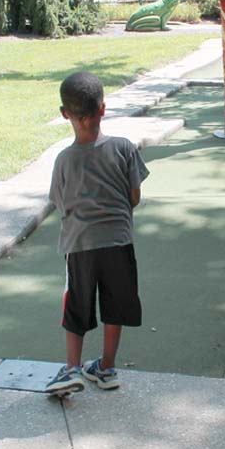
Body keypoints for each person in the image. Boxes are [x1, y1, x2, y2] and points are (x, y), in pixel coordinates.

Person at [44, 71, 150, 396]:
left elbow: (61, 204)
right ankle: (106, 368)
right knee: (115, 305)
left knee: (77, 305)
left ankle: (72, 369)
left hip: (80, 246)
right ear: (103, 108)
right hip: (119, 243)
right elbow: (134, 197)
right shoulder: (123, 148)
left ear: (65, 114)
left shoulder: (63, 160)